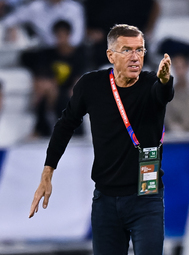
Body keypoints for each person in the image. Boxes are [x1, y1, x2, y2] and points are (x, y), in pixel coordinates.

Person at [28, 24, 173, 255]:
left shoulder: (150, 84)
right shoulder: (92, 85)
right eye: (127, 50)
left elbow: (163, 93)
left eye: (140, 50)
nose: (135, 57)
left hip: (146, 199)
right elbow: (65, 125)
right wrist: (48, 172)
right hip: (105, 200)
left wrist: (165, 80)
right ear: (110, 55)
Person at [21, 19, 87, 137]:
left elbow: (79, 76)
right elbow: (43, 74)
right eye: (58, 35)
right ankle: (43, 129)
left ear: (69, 35)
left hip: (69, 90)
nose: (60, 39)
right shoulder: (48, 54)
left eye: (63, 35)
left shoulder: (79, 54)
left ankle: (72, 132)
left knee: (68, 99)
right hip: (53, 89)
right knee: (45, 94)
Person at [2, 0, 84, 47]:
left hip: (71, 51)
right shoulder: (36, 8)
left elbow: (77, 37)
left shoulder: (74, 8)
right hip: (45, 52)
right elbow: (8, 20)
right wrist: (12, 26)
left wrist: (64, 45)